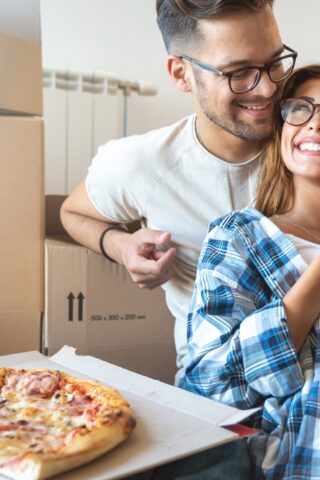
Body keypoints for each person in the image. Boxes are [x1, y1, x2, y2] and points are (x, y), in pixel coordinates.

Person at [60, 0, 297, 389]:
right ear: (181, 74)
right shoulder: (140, 163)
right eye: (239, 73)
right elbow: (72, 212)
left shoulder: (306, 141)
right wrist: (120, 245)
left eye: (274, 62)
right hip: (218, 384)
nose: (268, 87)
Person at [181, 64, 320, 479]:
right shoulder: (239, 236)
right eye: (301, 109)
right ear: (281, 126)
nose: (314, 124)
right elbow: (210, 383)